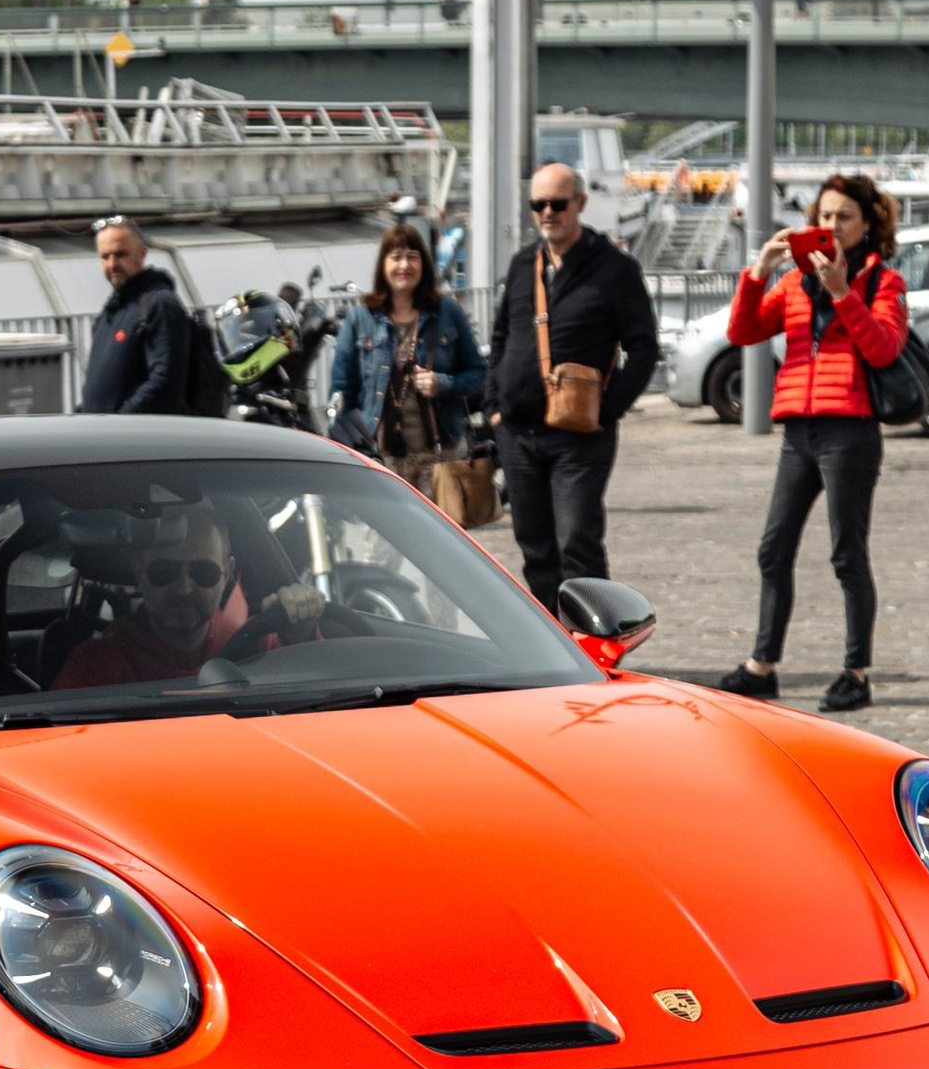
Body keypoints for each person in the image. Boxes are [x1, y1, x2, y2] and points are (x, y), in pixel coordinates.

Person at [718, 168, 909, 715]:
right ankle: (762, 667)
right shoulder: (795, 284)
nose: (832, 225)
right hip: (798, 431)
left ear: (867, 224)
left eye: (844, 217)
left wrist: (843, 293)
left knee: (847, 554)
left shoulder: (884, 283)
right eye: (824, 216)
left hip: (850, 431)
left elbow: (883, 348)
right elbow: (743, 332)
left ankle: (856, 674)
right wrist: (759, 272)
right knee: (773, 548)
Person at [486, 163, 659, 615]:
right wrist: (493, 407)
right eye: (538, 204)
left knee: (577, 544)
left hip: (580, 436)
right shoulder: (523, 265)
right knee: (535, 547)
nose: (547, 212)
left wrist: (609, 408)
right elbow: (501, 338)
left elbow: (644, 349)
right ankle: (553, 642)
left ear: (580, 204)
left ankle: (591, 642)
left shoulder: (615, 269)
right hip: (518, 432)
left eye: (558, 204)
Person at [55, 503, 325, 687]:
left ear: (227, 573)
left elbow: (320, 704)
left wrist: (301, 634)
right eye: (164, 571)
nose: (184, 588)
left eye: (204, 572)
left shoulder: (261, 647)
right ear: (139, 571)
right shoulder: (95, 667)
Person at [327, 215, 488, 496]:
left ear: (424, 265)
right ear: (383, 265)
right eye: (396, 257)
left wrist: (442, 383)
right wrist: (349, 446)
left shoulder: (447, 312)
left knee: (441, 526)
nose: (404, 265)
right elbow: (342, 391)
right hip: (381, 458)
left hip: (440, 455)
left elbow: (478, 373)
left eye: (413, 257)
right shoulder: (361, 318)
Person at [81, 221, 190, 413]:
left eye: (121, 254)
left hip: (135, 430)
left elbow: (165, 381)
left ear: (142, 253)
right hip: (101, 429)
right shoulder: (110, 312)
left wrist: (122, 420)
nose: (112, 264)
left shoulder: (160, 304)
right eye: (105, 256)